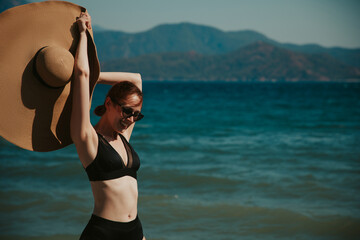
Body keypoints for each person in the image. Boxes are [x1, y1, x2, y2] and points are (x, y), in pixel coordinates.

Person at [71, 12, 146, 240]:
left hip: (135, 230)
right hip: (104, 233)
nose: (131, 119)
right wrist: (83, 34)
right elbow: (82, 74)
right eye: (126, 111)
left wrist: (97, 76)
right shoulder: (87, 137)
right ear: (108, 103)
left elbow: (136, 79)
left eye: (136, 115)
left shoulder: (122, 135)